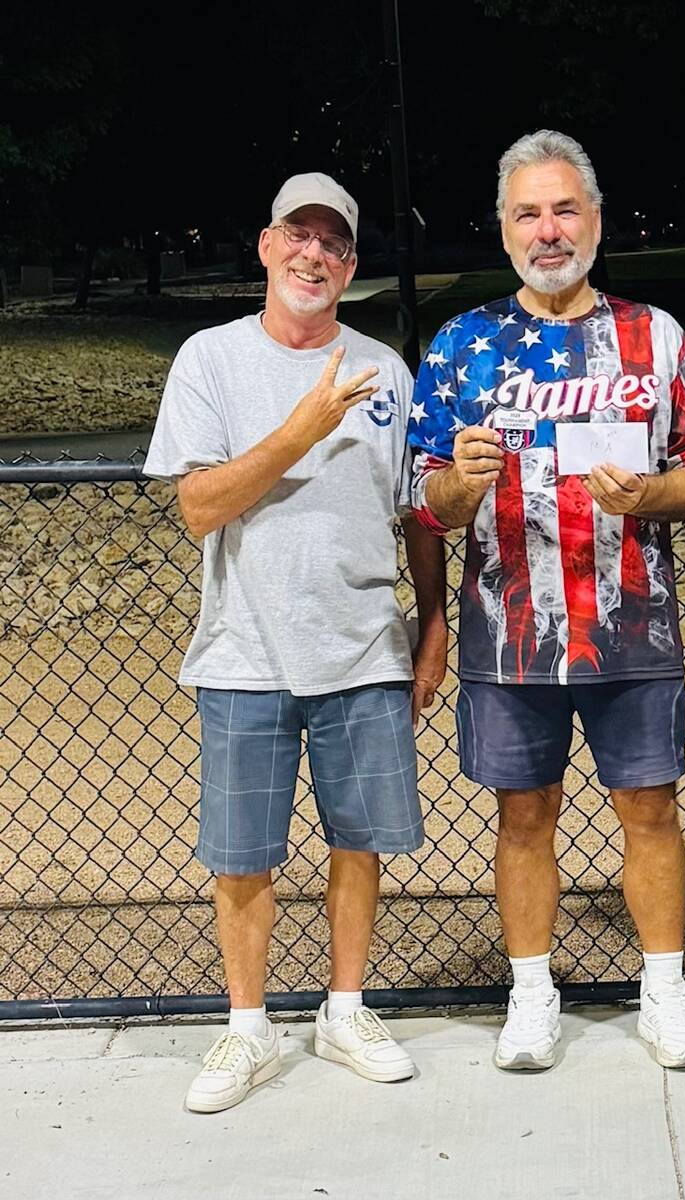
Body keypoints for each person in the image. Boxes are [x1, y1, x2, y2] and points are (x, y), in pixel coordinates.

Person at [408, 130, 685, 1071]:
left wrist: (649, 494)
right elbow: (423, 500)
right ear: (504, 230)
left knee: (650, 811)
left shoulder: (654, 334)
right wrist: (458, 485)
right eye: (527, 214)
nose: (548, 231)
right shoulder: (463, 343)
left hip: (632, 621)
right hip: (508, 631)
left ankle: (663, 996)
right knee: (522, 817)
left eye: (563, 209)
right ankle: (531, 994)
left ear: (594, 218)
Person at [144, 172, 448, 1112]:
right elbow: (197, 505)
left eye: (334, 243)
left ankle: (344, 1008)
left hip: (363, 644)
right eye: (298, 236)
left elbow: (418, 516)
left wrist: (431, 626)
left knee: (360, 842)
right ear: (267, 245)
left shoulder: (386, 369)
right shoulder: (210, 358)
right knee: (243, 854)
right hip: (244, 648)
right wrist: (302, 427)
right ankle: (247, 1030)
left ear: (350, 263)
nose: (314, 254)